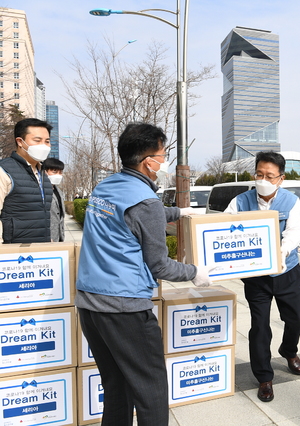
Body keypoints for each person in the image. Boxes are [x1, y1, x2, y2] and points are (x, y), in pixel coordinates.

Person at [75, 123, 211, 426]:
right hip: (125, 311)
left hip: (89, 306)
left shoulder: (107, 187)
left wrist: (182, 213)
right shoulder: (145, 201)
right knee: (150, 391)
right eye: (162, 156)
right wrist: (195, 272)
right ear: (148, 161)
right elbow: (160, 266)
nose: (163, 163)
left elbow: (135, 214)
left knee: (116, 387)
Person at [224, 151, 300, 403]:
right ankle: (264, 378)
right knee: (260, 326)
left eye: (269, 176)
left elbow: (294, 232)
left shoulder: (291, 201)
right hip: (256, 277)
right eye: (259, 174)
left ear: (280, 178)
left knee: (296, 317)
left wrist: (281, 250)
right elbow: (224, 229)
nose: (263, 179)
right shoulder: (240, 202)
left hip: (287, 271)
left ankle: (288, 350)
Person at [0, 118, 53, 243]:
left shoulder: (43, 174)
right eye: (37, 140)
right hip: (13, 253)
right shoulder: (4, 170)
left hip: (41, 250)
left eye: (47, 141)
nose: (44, 146)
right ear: (20, 142)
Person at [43, 158, 65, 242]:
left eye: (60, 172)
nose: (58, 175)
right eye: (54, 172)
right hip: (47, 237)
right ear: (45, 172)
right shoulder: (40, 190)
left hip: (59, 236)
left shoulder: (59, 191)